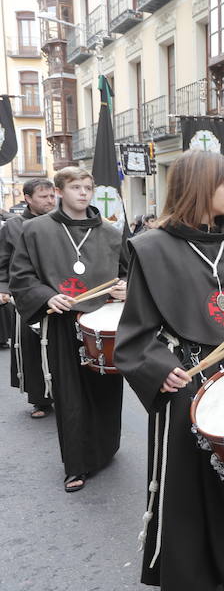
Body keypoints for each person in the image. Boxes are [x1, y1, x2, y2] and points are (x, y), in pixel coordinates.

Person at [114, 150, 224, 589]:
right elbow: (135, 335)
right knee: (187, 487)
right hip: (185, 379)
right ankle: (187, 575)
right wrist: (159, 368)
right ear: (196, 188)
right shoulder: (151, 249)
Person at [9, 167, 127, 492]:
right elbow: (21, 276)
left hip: (101, 323)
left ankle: (105, 449)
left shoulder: (111, 232)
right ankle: (76, 465)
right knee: (70, 396)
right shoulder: (35, 230)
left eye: (88, 187)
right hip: (62, 322)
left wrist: (125, 288)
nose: (83, 193)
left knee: (105, 392)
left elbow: (128, 274)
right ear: (60, 191)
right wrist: (48, 295)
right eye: (76, 187)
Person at [0, 178, 56, 418]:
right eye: (43, 197)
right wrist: (3, 287)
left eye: (52, 196)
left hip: (59, 294)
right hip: (28, 296)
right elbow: (3, 262)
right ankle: (40, 400)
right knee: (33, 349)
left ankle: (66, 394)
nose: (50, 201)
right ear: (28, 198)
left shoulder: (60, 224)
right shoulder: (12, 226)